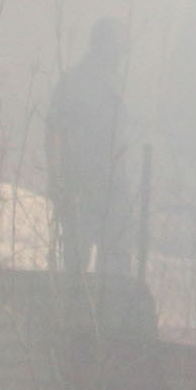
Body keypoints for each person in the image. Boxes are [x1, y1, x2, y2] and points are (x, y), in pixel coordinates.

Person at [47, 15, 128, 279]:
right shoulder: (74, 84)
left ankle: (104, 320)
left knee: (113, 275)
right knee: (75, 272)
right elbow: (54, 133)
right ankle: (72, 318)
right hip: (80, 192)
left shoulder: (118, 86)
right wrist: (58, 181)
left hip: (113, 194)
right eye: (115, 44)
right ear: (100, 45)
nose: (119, 51)